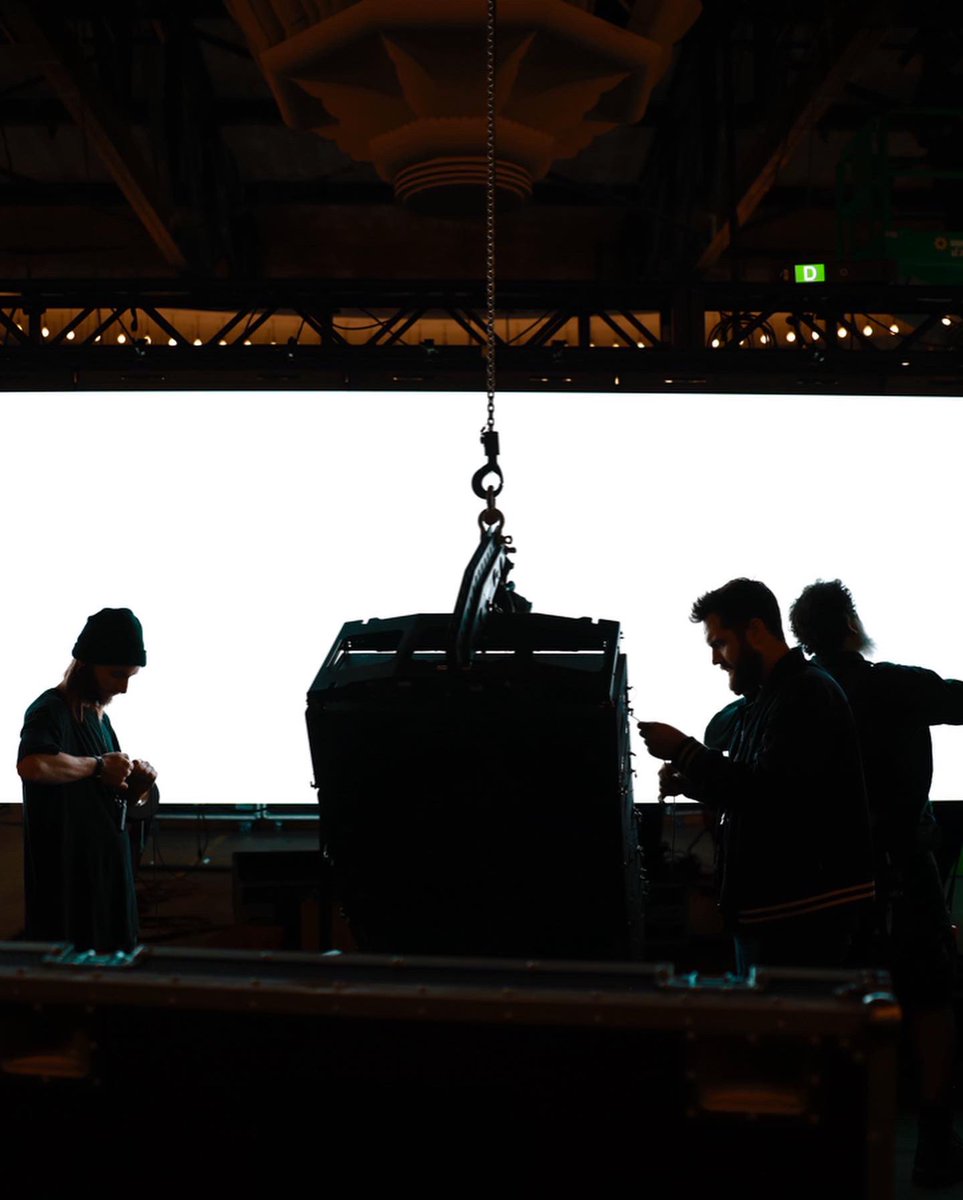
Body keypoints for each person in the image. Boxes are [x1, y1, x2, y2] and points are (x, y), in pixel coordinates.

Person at [790, 579, 963, 1189]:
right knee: (931, 998)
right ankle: (935, 1140)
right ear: (849, 625)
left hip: (825, 881)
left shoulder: (796, 696)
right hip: (904, 868)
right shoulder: (895, 685)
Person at [637, 578, 874, 975]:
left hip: (801, 921)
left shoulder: (806, 692)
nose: (716, 659)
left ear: (756, 630)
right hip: (778, 917)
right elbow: (758, 787)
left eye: (720, 643)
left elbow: (768, 793)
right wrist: (689, 782)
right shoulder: (768, 698)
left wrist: (684, 751)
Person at [17, 608, 158, 954]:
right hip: (68, 888)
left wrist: (138, 787)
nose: (123, 688)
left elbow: (114, 797)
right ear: (86, 665)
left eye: (130, 676)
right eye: (116, 674)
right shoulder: (50, 710)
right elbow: (34, 765)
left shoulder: (100, 721)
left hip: (108, 883)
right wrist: (96, 767)